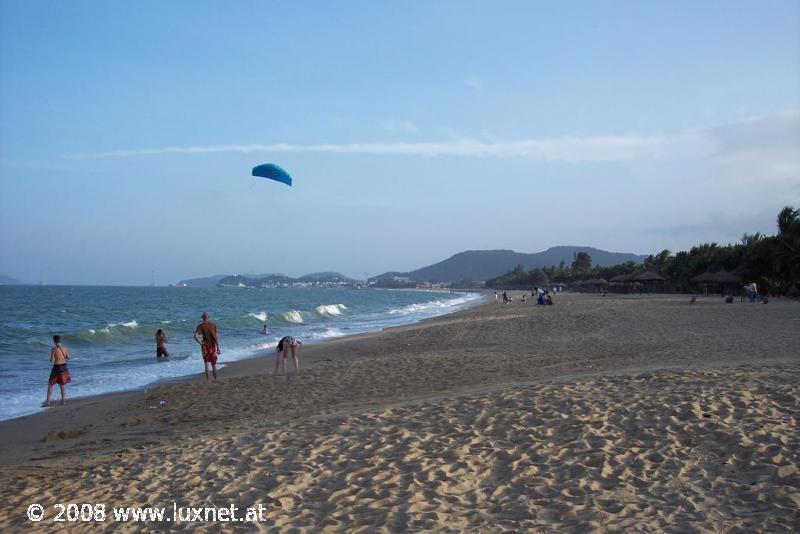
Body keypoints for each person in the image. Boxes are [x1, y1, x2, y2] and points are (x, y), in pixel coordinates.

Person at [44, 335, 71, 406]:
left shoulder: (54, 349)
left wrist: (53, 358)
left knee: (51, 384)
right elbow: (68, 357)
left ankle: (48, 402)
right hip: (64, 367)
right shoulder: (65, 348)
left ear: (54, 341)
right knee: (62, 384)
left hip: (56, 367)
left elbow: (51, 360)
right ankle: (63, 401)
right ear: (60, 340)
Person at [194, 311, 220, 381]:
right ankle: (216, 379)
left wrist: (200, 343)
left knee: (206, 363)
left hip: (205, 346)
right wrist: (218, 347)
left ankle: (208, 380)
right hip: (212, 345)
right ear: (208, 317)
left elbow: (195, 337)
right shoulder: (213, 325)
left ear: (202, 317)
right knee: (213, 364)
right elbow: (216, 337)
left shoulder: (200, 326)